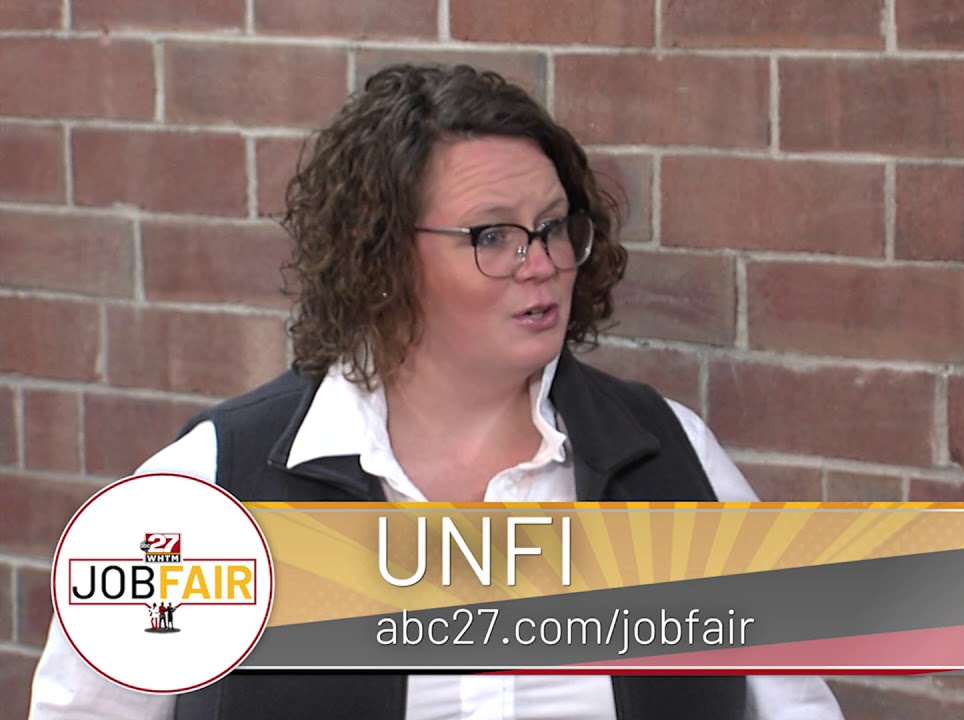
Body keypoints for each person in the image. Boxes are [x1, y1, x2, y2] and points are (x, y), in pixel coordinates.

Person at [29, 64, 842, 719]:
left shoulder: (670, 459)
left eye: (554, 226)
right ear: (382, 255)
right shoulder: (212, 486)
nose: (542, 263)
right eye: (493, 235)